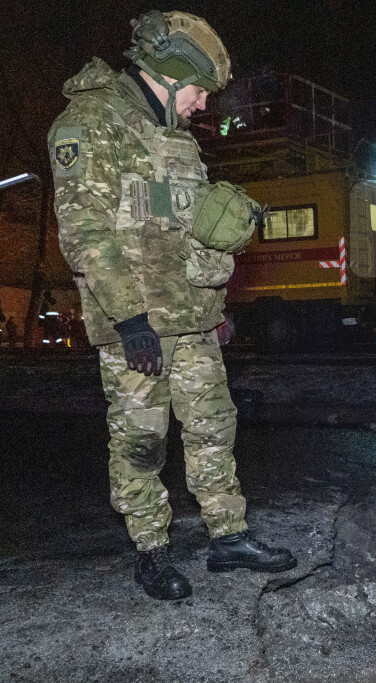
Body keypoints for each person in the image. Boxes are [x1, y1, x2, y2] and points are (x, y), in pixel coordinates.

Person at [48, 10, 295, 601]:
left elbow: (188, 231)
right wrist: (131, 322)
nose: (204, 105)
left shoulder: (177, 140)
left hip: (192, 322)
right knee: (141, 441)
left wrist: (213, 305)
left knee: (214, 425)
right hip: (136, 325)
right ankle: (151, 551)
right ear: (169, 72)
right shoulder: (88, 124)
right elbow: (86, 236)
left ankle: (228, 537)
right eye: (201, 90)